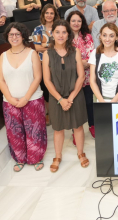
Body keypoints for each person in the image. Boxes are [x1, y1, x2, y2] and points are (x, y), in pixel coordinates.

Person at [0, 22, 46, 172]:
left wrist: (25, 98)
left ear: (23, 36)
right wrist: (10, 98)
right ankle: (19, 159)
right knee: (14, 131)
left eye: (17, 34)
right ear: (7, 37)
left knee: (34, 131)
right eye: (11, 34)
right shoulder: (3, 56)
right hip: (10, 101)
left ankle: (35, 158)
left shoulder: (32, 53)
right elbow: (0, 79)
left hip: (32, 99)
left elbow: (38, 77)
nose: (14, 37)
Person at [43, 19, 88, 171]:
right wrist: (61, 99)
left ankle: (81, 153)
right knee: (58, 128)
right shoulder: (47, 54)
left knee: (78, 127)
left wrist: (71, 97)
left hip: (75, 95)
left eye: (64, 32)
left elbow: (81, 76)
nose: (61, 35)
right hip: (57, 97)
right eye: (57, 32)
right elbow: (47, 81)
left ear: (68, 34)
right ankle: (58, 155)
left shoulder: (75, 52)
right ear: (52, 33)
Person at [67, 10, 96, 141]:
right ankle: (76, 130)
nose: (76, 23)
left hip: (88, 76)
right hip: (72, 77)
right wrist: (79, 64)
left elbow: (92, 54)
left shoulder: (87, 37)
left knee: (89, 102)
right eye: (73, 20)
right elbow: (65, 57)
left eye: (79, 20)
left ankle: (93, 125)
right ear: (68, 22)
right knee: (75, 104)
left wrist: (85, 63)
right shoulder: (65, 38)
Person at [89, 23, 118, 102]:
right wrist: (102, 101)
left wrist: (113, 102)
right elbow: (92, 81)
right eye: (104, 35)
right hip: (100, 98)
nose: (107, 39)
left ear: (117, 37)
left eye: (111, 36)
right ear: (100, 36)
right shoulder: (95, 53)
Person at [32, 4, 57, 105]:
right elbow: (38, 48)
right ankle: (48, 111)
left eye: (51, 13)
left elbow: (63, 45)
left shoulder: (59, 28)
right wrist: (53, 47)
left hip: (57, 61)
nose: (49, 15)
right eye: (47, 13)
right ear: (43, 14)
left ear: (55, 15)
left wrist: (45, 47)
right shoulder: (37, 30)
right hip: (42, 63)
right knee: (45, 88)